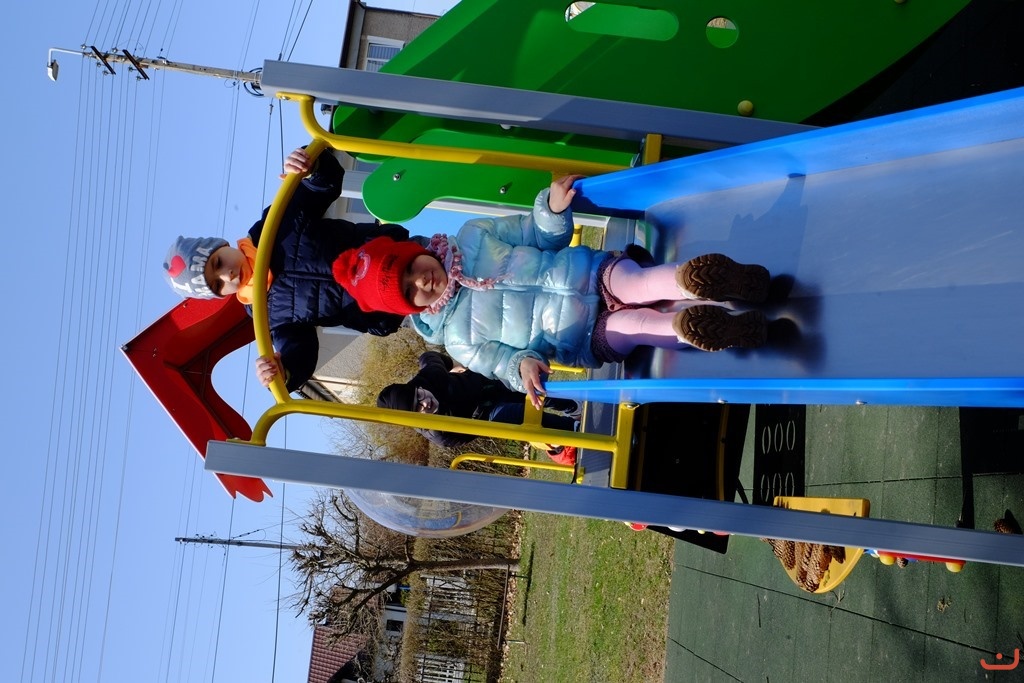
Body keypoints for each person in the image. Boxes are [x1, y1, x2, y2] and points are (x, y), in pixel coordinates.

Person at [332, 175, 771, 408]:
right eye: (410, 291)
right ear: (410, 309)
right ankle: (706, 327)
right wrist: (523, 366)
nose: (421, 281)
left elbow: (536, 234)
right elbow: (502, 362)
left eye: (412, 268)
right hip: (583, 337)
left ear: (416, 251)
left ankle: (700, 279)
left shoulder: (474, 236)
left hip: (588, 273)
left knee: (637, 282)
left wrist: (551, 209)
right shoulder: (458, 341)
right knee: (636, 326)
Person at [162, 148, 414, 392]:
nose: (227, 275)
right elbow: (300, 350)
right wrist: (284, 371)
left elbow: (323, 185)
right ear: (221, 295)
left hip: (395, 255)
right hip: (387, 305)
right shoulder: (268, 315)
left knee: (437, 260)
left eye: (217, 263)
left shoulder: (275, 225)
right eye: (217, 285)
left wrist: (310, 165)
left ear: (222, 245)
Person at [377, 351, 581, 464]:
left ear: (417, 387)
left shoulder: (430, 376)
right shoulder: (440, 432)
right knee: (515, 413)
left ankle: (573, 406)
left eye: (419, 395)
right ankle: (572, 430)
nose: (425, 402)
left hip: (484, 382)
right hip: (484, 415)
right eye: (418, 408)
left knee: (528, 389)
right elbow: (472, 433)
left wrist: (452, 366)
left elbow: (428, 356)